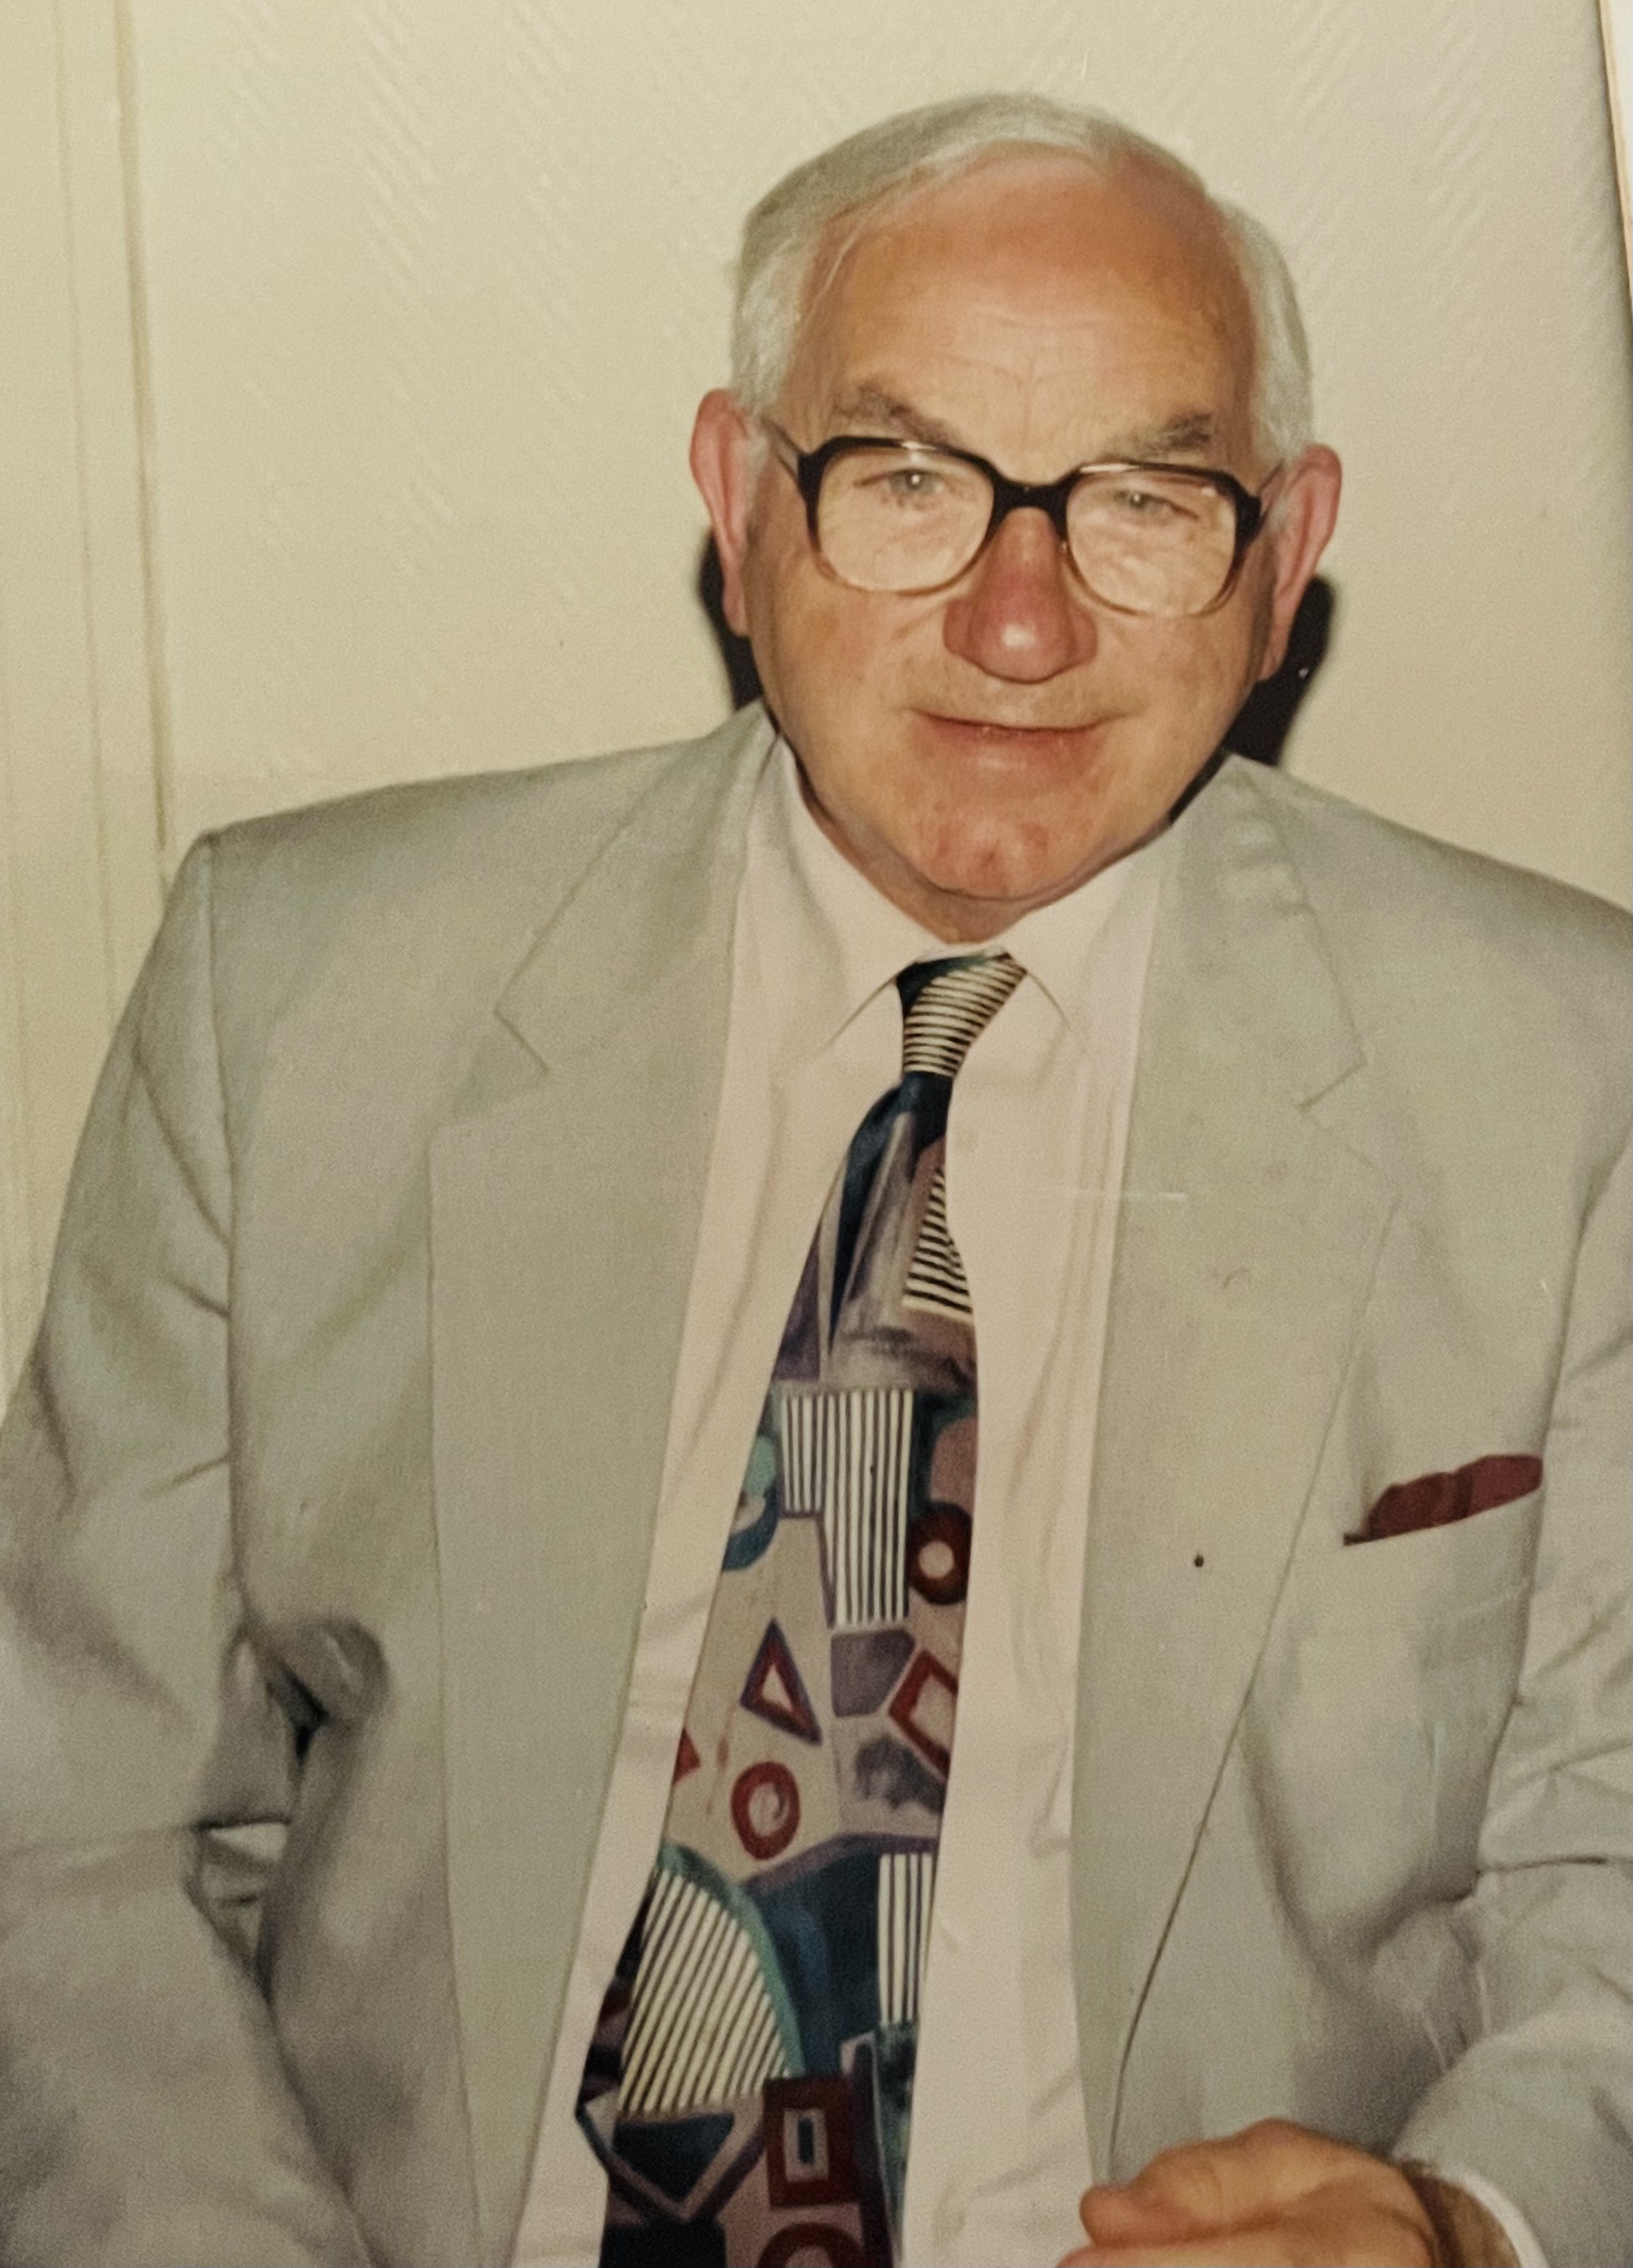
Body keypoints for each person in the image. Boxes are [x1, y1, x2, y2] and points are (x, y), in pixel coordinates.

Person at [0, 90, 1625, 2268]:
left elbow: (1611, 1864)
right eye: (909, 482)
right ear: (737, 501)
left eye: (1144, 501)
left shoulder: (1565, 1069)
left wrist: (1465, 2226)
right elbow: (70, 1827)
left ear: (1283, 553)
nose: (1020, 622)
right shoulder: (294, 998)